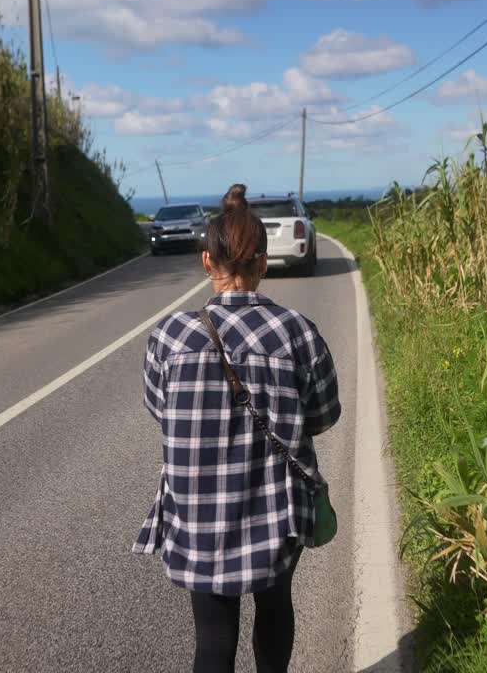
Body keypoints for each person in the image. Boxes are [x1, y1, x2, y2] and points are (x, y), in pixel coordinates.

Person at [133, 184, 342, 673]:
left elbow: (160, 410)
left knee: (212, 638)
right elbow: (324, 415)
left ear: (207, 261)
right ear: (263, 264)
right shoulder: (297, 332)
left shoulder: (169, 336)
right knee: (274, 609)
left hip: (198, 512)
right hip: (276, 506)